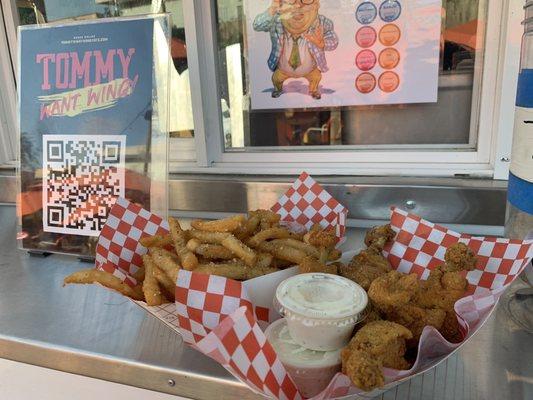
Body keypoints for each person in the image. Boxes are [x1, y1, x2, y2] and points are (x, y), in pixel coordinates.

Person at [253, 0, 339, 99]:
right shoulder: (276, 21)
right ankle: (278, 89)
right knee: (276, 79)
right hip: (283, 70)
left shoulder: (321, 23)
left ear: (316, 5)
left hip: (310, 70)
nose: (298, 5)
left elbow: (334, 41)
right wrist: (272, 9)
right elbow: (257, 25)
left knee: (316, 77)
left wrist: (323, 43)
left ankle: (313, 90)